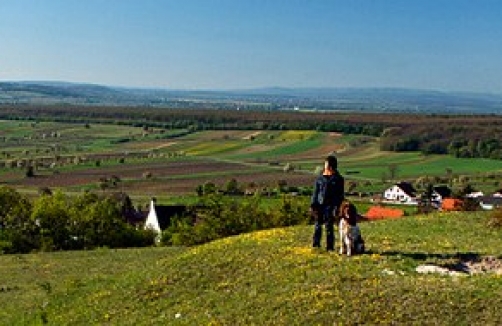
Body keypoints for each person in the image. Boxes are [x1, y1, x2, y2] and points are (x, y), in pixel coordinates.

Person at [310, 155, 345, 251]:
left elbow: (340, 195)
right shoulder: (320, 178)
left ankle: (330, 247)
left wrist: (338, 207)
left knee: (329, 226)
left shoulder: (338, 179)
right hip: (319, 205)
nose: (324, 166)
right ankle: (316, 244)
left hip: (331, 206)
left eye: (326, 164)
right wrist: (313, 205)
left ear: (330, 166)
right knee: (317, 226)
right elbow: (315, 192)